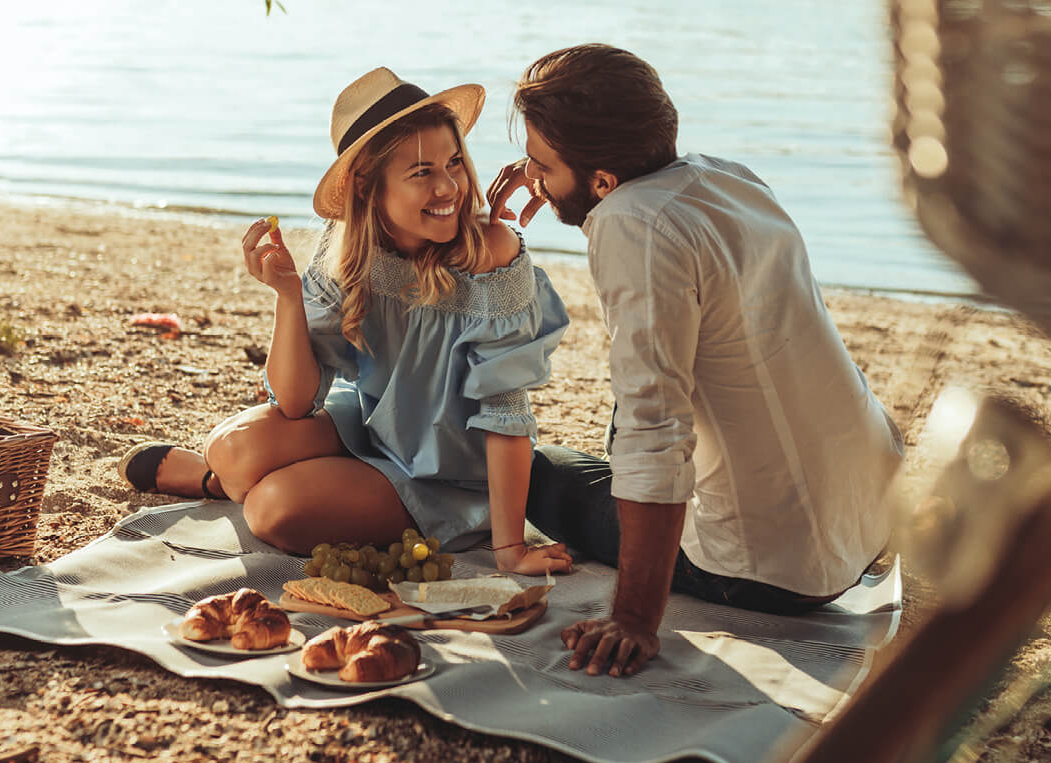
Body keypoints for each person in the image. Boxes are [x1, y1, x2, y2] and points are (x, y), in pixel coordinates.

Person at [486, 43, 904, 676]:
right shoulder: (722, 176)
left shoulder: (632, 226)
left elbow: (657, 432)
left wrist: (632, 618)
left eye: (542, 166)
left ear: (603, 180)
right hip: (871, 510)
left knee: (529, 473)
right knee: (613, 428)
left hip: (769, 569)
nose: (532, 179)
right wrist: (559, 175)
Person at [120, 67, 574, 576]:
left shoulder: (492, 254)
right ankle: (217, 478)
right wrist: (288, 296)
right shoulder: (346, 248)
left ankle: (225, 485)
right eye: (422, 172)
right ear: (366, 186)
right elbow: (294, 401)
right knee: (229, 448)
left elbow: (506, 411)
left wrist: (510, 549)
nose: (449, 187)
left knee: (273, 510)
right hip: (374, 427)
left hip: (452, 475)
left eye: (454, 164)